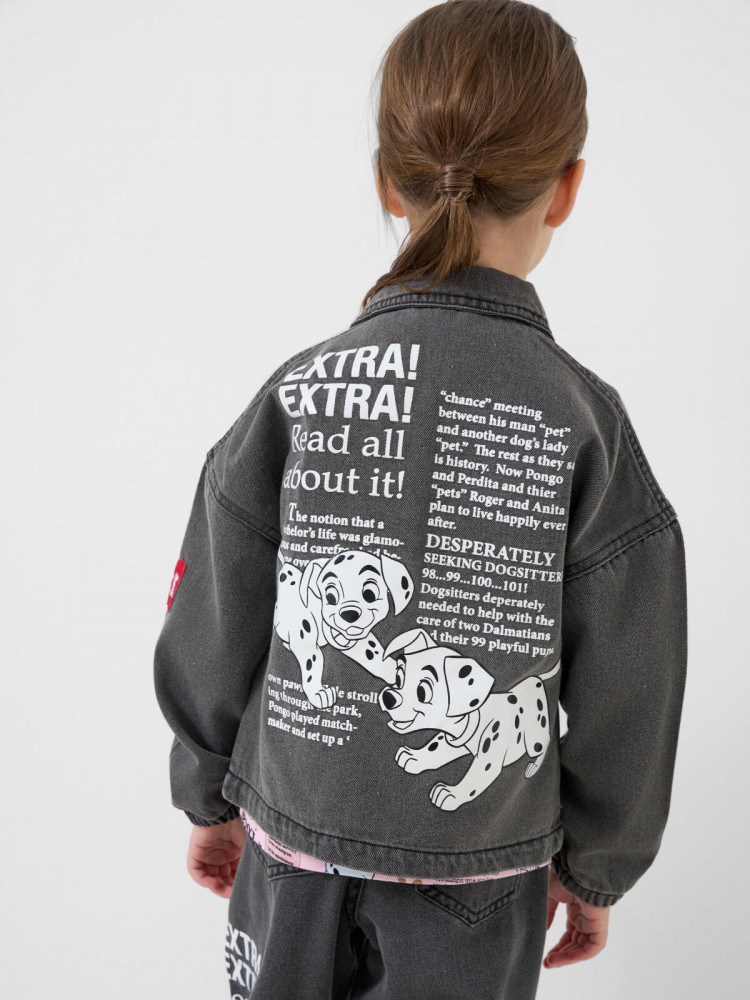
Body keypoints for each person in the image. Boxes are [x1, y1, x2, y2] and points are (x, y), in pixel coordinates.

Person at [153, 2, 688, 998]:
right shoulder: (582, 419)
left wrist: (206, 790)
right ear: (566, 188)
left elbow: (215, 610)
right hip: (478, 872)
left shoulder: (301, 391)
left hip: (290, 842)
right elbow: (633, 671)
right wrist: (596, 864)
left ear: (386, 180)